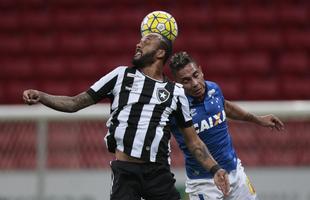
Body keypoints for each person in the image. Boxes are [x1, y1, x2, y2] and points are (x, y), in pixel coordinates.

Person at [23, 33, 230, 200]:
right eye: (140, 41)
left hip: (158, 173)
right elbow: (75, 103)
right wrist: (42, 96)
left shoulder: (176, 92)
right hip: (125, 172)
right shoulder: (121, 75)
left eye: (146, 41)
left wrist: (215, 169)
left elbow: (193, 141)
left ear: (160, 53)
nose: (139, 44)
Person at [169, 51, 285, 200]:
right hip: (204, 182)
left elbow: (225, 107)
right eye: (186, 81)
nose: (195, 83)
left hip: (234, 172)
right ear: (177, 84)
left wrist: (258, 119)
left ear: (201, 70)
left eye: (196, 75)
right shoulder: (176, 108)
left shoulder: (213, 89)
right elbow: (194, 144)